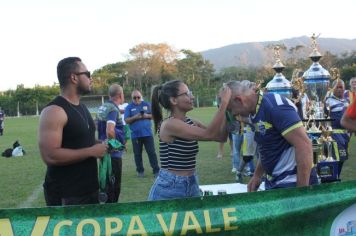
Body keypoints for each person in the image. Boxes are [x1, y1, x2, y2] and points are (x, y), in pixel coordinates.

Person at [225, 80, 318, 191]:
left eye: (231, 109)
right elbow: (268, 146)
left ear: (239, 100)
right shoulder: (255, 110)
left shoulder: (275, 107)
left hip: (291, 181)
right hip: (276, 180)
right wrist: (257, 175)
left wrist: (301, 192)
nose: (233, 114)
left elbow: (304, 145)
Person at [38, 57, 107, 206]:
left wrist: (101, 145)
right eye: (87, 74)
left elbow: (80, 140)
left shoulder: (81, 107)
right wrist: (91, 151)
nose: (91, 79)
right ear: (74, 77)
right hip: (67, 194)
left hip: (89, 190)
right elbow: (50, 155)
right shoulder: (54, 111)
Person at [148, 80, 231, 200]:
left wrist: (227, 111)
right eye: (187, 93)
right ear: (174, 100)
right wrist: (224, 103)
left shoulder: (191, 122)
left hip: (191, 182)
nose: (192, 97)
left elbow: (220, 137)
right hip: (170, 186)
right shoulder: (170, 124)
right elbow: (208, 134)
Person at [96, 84, 126, 203]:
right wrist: (114, 145)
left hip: (103, 151)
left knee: (106, 185)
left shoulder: (103, 106)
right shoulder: (113, 109)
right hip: (112, 155)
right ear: (120, 95)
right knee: (113, 188)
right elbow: (110, 130)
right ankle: (112, 216)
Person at [124, 90, 160, 177]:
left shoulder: (147, 104)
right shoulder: (129, 107)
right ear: (132, 98)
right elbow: (126, 120)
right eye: (134, 97)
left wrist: (146, 116)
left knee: (151, 153)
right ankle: (140, 171)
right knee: (137, 154)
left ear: (141, 96)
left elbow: (154, 115)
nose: (137, 99)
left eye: (138, 97)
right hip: (135, 135)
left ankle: (156, 170)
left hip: (147, 134)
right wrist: (136, 117)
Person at [324, 80, 350, 178]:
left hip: (346, 136)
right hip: (334, 134)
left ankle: (336, 177)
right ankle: (333, 178)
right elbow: (324, 117)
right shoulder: (328, 101)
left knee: (342, 158)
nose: (339, 89)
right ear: (332, 88)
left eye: (341, 87)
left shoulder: (347, 101)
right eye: (337, 87)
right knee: (336, 158)